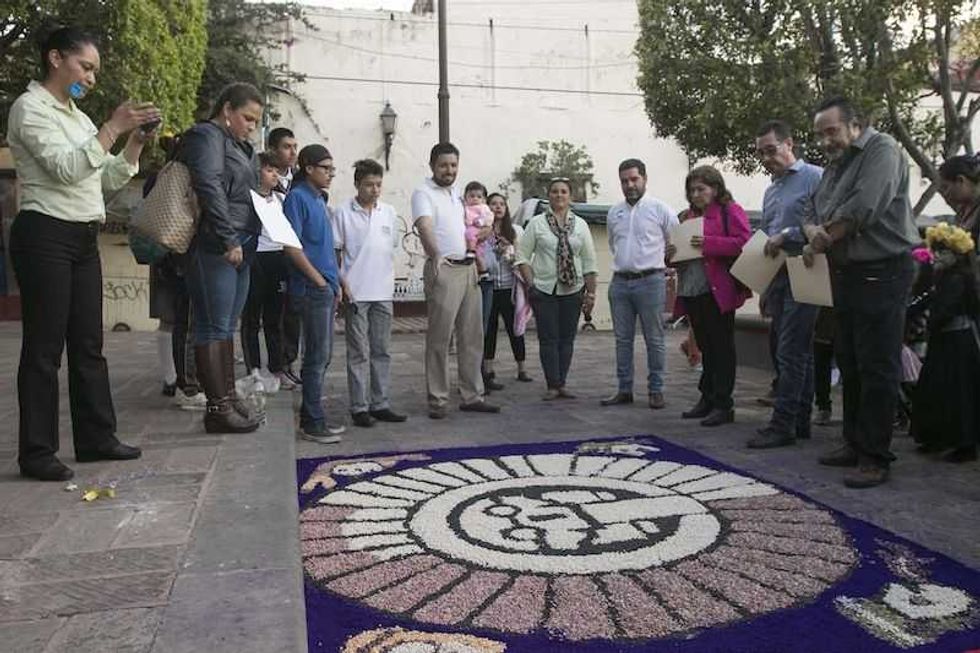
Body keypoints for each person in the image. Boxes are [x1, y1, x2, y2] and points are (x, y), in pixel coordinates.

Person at [6, 25, 159, 480]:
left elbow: (105, 179)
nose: (90, 78)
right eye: (85, 67)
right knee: (44, 348)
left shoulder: (77, 117)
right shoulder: (29, 109)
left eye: (93, 71)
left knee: (89, 345)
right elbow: (67, 169)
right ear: (56, 59)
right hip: (44, 235)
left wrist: (133, 142)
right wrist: (113, 127)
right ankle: (36, 453)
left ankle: (95, 440)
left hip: (80, 237)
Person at [802, 96, 919, 488]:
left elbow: (864, 208)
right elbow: (812, 210)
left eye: (831, 131)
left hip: (883, 271)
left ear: (855, 125)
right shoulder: (836, 165)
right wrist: (812, 232)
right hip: (847, 273)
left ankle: (875, 455)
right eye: (820, 134)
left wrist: (822, 237)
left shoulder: (882, 150)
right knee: (849, 361)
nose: (825, 141)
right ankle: (853, 442)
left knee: (876, 365)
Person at [180, 82, 265, 434]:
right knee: (212, 326)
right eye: (247, 118)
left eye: (257, 121)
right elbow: (209, 185)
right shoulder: (207, 135)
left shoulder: (236, 143)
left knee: (227, 325)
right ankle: (216, 407)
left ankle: (229, 398)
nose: (252, 126)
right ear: (227, 109)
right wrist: (229, 237)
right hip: (216, 244)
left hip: (241, 244)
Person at [747, 121, 824, 448]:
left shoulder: (815, 177)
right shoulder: (771, 190)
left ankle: (783, 424)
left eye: (771, 150)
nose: (766, 158)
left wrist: (788, 235)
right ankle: (800, 420)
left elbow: (822, 221)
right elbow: (766, 235)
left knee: (791, 349)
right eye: (761, 153)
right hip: (777, 273)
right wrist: (763, 286)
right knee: (795, 350)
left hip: (807, 265)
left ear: (789, 143)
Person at [412, 142, 500, 419]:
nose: (449, 170)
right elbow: (425, 226)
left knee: (472, 336)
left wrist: (485, 230)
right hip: (445, 268)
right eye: (443, 165)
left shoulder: (456, 194)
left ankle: (472, 395)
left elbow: (472, 224)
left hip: (468, 268)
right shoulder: (423, 193)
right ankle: (438, 400)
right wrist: (435, 254)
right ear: (432, 165)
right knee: (440, 338)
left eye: (453, 165)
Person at [668, 166, 751, 427]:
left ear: (715, 188)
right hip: (692, 288)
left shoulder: (729, 211)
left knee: (721, 346)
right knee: (705, 345)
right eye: (692, 190)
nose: (696, 194)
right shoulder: (687, 216)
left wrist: (708, 243)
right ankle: (707, 397)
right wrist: (670, 253)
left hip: (717, 290)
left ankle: (723, 404)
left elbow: (743, 242)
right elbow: (677, 255)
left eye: (701, 189)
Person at [332, 159, 407, 428]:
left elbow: (389, 249)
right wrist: (342, 284)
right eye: (368, 185)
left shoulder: (388, 212)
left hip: (383, 291)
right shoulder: (343, 213)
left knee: (382, 350)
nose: (374, 190)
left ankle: (381, 402)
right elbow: (336, 253)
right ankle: (359, 406)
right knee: (358, 352)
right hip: (356, 291)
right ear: (357, 185)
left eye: (378, 185)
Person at [601, 158, 678, 410]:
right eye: (624, 181)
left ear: (644, 178)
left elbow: (675, 241)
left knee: (654, 338)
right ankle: (624, 389)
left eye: (634, 179)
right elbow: (614, 244)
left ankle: (656, 390)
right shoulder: (615, 212)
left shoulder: (660, 209)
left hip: (651, 280)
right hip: (620, 283)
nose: (629, 185)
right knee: (622, 339)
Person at [283, 144, 346, 442]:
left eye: (332, 169)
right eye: (325, 168)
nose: (330, 174)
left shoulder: (319, 199)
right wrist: (318, 280)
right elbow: (291, 246)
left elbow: (325, 247)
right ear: (308, 168)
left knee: (324, 355)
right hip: (310, 288)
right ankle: (311, 421)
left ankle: (314, 416)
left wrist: (336, 284)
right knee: (316, 356)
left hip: (326, 287)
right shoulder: (297, 198)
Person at [515, 177, 598, 400]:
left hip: (573, 289)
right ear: (548, 196)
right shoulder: (537, 223)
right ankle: (552, 384)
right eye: (554, 191)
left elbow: (589, 261)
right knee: (549, 339)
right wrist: (531, 284)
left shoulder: (580, 225)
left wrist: (591, 293)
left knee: (567, 339)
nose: (559, 195)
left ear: (570, 196)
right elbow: (522, 257)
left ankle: (562, 382)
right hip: (544, 289)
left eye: (563, 192)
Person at [910, 222, 979, 463]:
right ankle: (934, 437)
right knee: (935, 391)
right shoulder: (941, 277)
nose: (937, 256)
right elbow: (926, 303)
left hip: (958, 343)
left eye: (943, 252)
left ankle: (964, 443)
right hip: (943, 341)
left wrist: (929, 321)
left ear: (956, 254)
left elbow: (945, 309)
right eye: (936, 251)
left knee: (958, 394)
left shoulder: (960, 278)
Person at [240, 152, 293, 388]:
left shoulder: (281, 200)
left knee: (275, 318)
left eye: (276, 171)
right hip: (254, 259)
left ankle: (277, 367)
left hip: (277, 259)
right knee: (251, 318)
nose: (274, 175)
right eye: (269, 170)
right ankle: (253, 369)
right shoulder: (247, 199)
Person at [483, 192, 532, 386]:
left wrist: (508, 250)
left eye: (501, 204)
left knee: (516, 329)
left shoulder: (516, 231)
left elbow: (521, 259)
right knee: (489, 329)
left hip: (510, 288)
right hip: (489, 286)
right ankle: (488, 369)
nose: (498, 207)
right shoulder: (483, 230)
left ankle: (522, 368)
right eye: (493, 204)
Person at [267, 126, 302, 386]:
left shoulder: (300, 179)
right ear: (273, 149)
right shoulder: (261, 177)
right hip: (264, 252)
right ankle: (267, 367)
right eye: (286, 147)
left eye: (294, 147)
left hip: (292, 253)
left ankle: (287, 363)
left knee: (291, 314)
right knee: (267, 316)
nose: (292, 152)